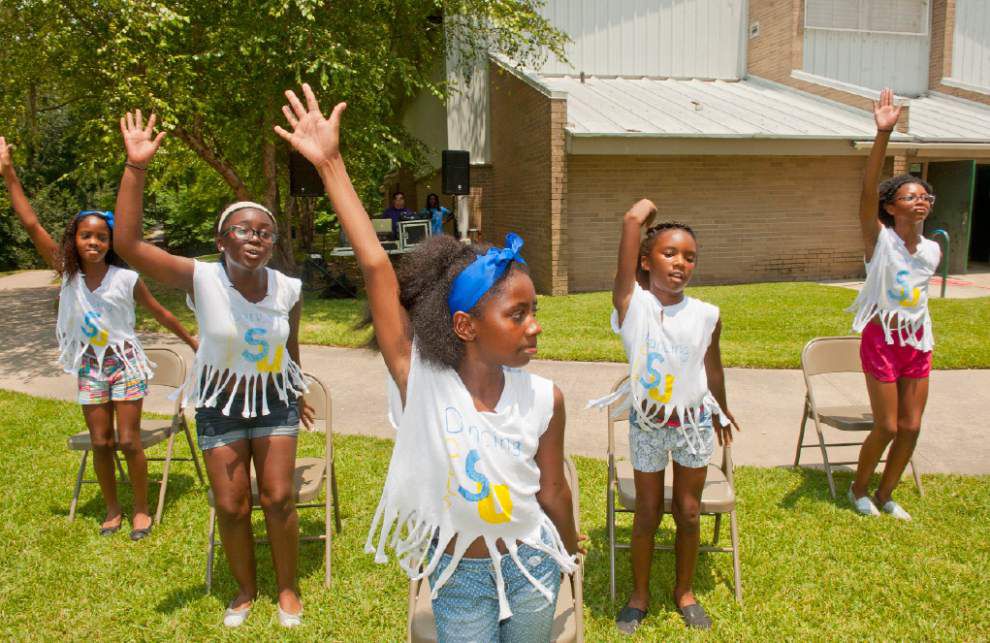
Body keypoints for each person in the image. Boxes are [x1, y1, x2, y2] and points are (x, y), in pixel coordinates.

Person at [274, 83, 585, 642]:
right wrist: (331, 164)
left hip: (532, 563)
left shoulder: (545, 398)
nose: (534, 325)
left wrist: (569, 542)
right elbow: (376, 268)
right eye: (517, 314)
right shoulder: (422, 380)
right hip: (457, 572)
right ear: (465, 326)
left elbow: (552, 490)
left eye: (533, 311)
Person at [111, 111, 314, 628]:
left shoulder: (287, 289)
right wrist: (135, 169)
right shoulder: (199, 277)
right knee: (232, 505)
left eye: (265, 232)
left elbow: (289, 345)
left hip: (272, 398)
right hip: (220, 403)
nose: (256, 237)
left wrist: (297, 388)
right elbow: (128, 246)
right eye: (243, 229)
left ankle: (287, 588)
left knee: (279, 496)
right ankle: (245, 590)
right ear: (221, 239)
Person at [0, 135, 197, 541]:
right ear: (74, 240)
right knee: (101, 442)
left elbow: (159, 313)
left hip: (126, 363)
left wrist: (194, 342)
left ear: (111, 242)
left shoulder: (126, 278)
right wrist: (8, 173)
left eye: (102, 237)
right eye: (86, 236)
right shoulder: (68, 277)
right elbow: (32, 224)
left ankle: (141, 509)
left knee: (128, 440)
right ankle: (112, 509)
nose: (94, 243)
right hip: (91, 364)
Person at [593, 198, 739, 633]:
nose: (680, 263)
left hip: (693, 424)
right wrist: (637, 218)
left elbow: (711, 367)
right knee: (648, 512)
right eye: (669, 253)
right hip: (649, 425)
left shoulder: (707, 314)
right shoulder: (631, 306)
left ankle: (684, 591)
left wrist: (722, 410)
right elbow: (631, 226)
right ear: (646, 260)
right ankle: (639, 595)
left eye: (689, 257)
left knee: (690, 512)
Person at [846, 88, 940, 521]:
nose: (920, 201)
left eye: (925, 197)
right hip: (881, 339)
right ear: (890, 206)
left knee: (911, 426)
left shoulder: (932, 251)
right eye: (910, 196)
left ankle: (887, 493)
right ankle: (859, 488)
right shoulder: (879, 241)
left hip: (917, 342)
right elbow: (865, 194)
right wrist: (882, 133)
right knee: (886, 425)